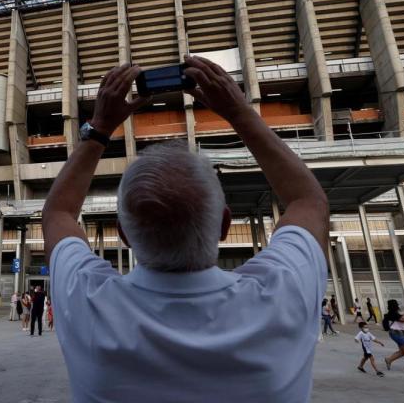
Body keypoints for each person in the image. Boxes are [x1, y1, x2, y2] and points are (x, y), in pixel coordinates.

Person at [43, 58, 330, 401]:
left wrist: (100, 127)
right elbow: (308, 201)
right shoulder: (283, 294)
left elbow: (57, 212)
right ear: (224, 225)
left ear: (124, 235)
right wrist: (240, 113)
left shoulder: (88, 301)